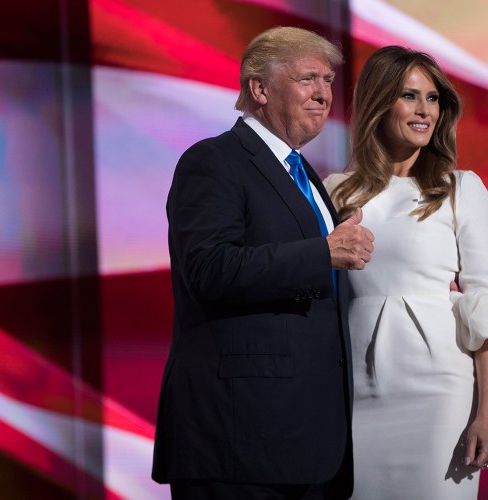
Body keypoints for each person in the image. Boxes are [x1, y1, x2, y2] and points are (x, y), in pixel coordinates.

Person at [152, 26, 374, 500]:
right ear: (259, 89)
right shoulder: (213, 161)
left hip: (306, 440)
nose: (323, 94)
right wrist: (323, 252)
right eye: (307, 79)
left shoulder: (303, 174)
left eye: (329, 81)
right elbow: (209, 270)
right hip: (238, 438)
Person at [323, 46, 488, 499]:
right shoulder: (336, 191)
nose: (424, 111)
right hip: (355, 390)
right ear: (379, 102)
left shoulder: (461, 189)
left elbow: (486, 305)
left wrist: (486, 416)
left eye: (433, 98)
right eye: (409, 96)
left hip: (440, 393)